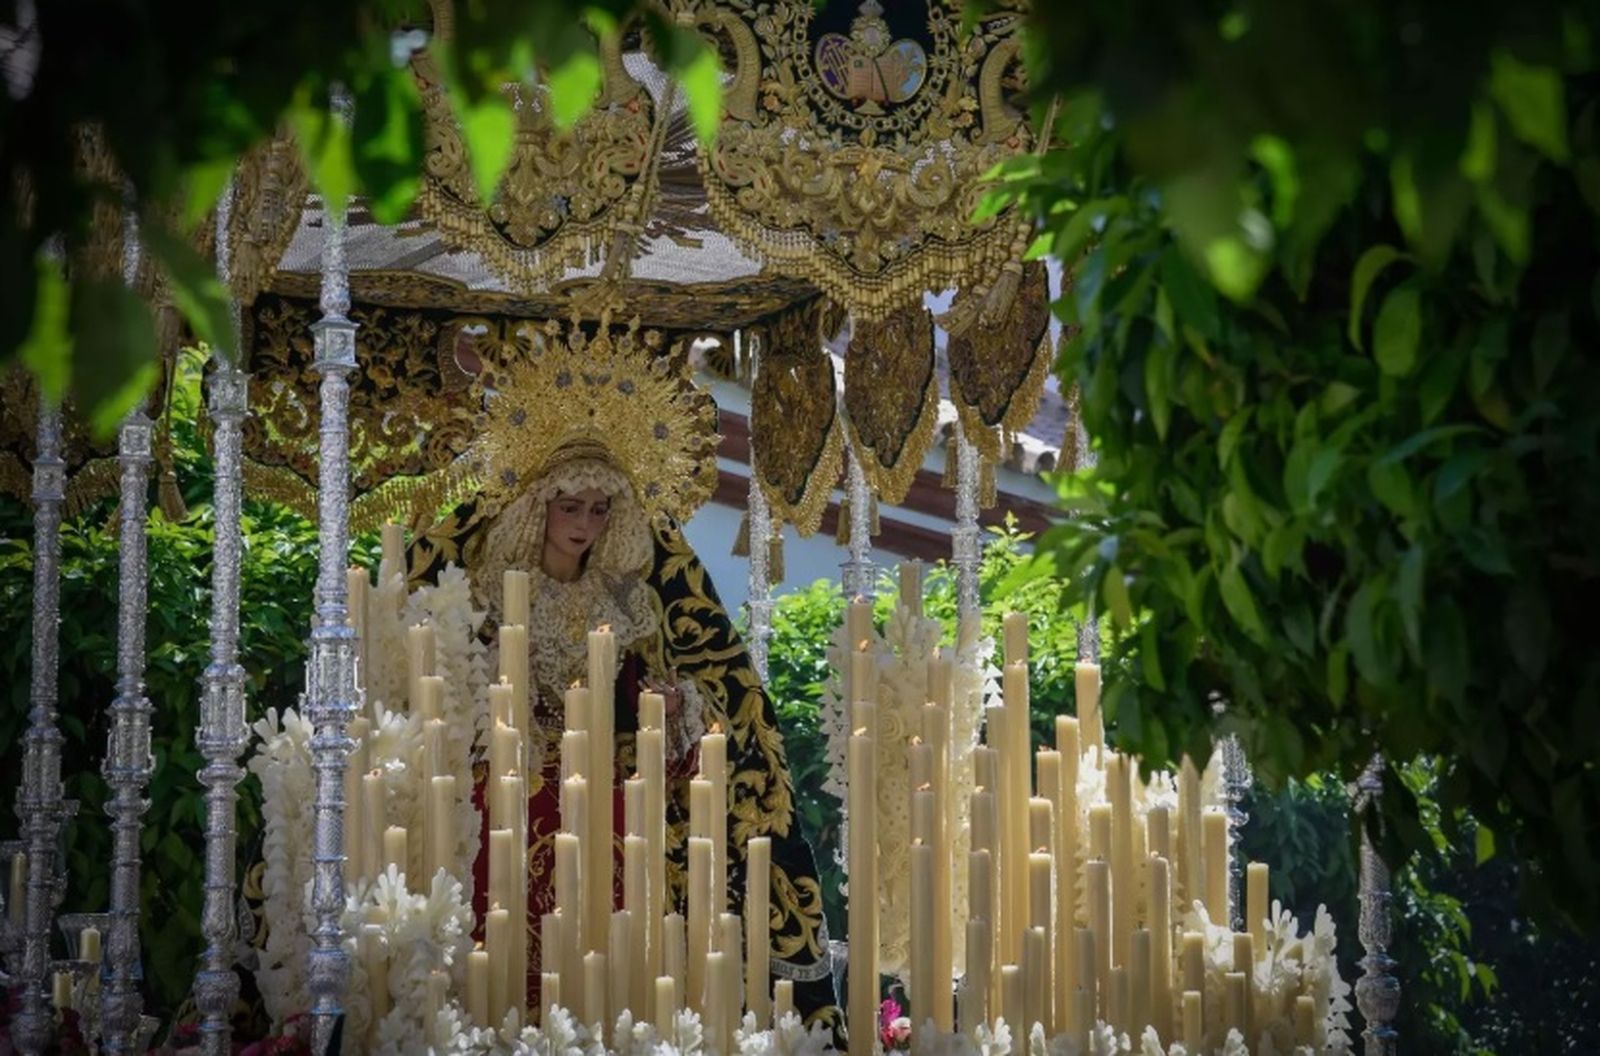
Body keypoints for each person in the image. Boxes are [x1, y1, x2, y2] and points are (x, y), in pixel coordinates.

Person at [405, 322, 841, 1030]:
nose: (584, 524)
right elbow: (453, 692)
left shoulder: (628, 601)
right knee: (501, 954)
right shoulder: (488, 589)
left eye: (599, 509)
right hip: (504, 797)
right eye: (570, 507)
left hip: (605, 803)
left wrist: (669, 710)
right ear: (537, 505)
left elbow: (659, 702)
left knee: (601, 955)